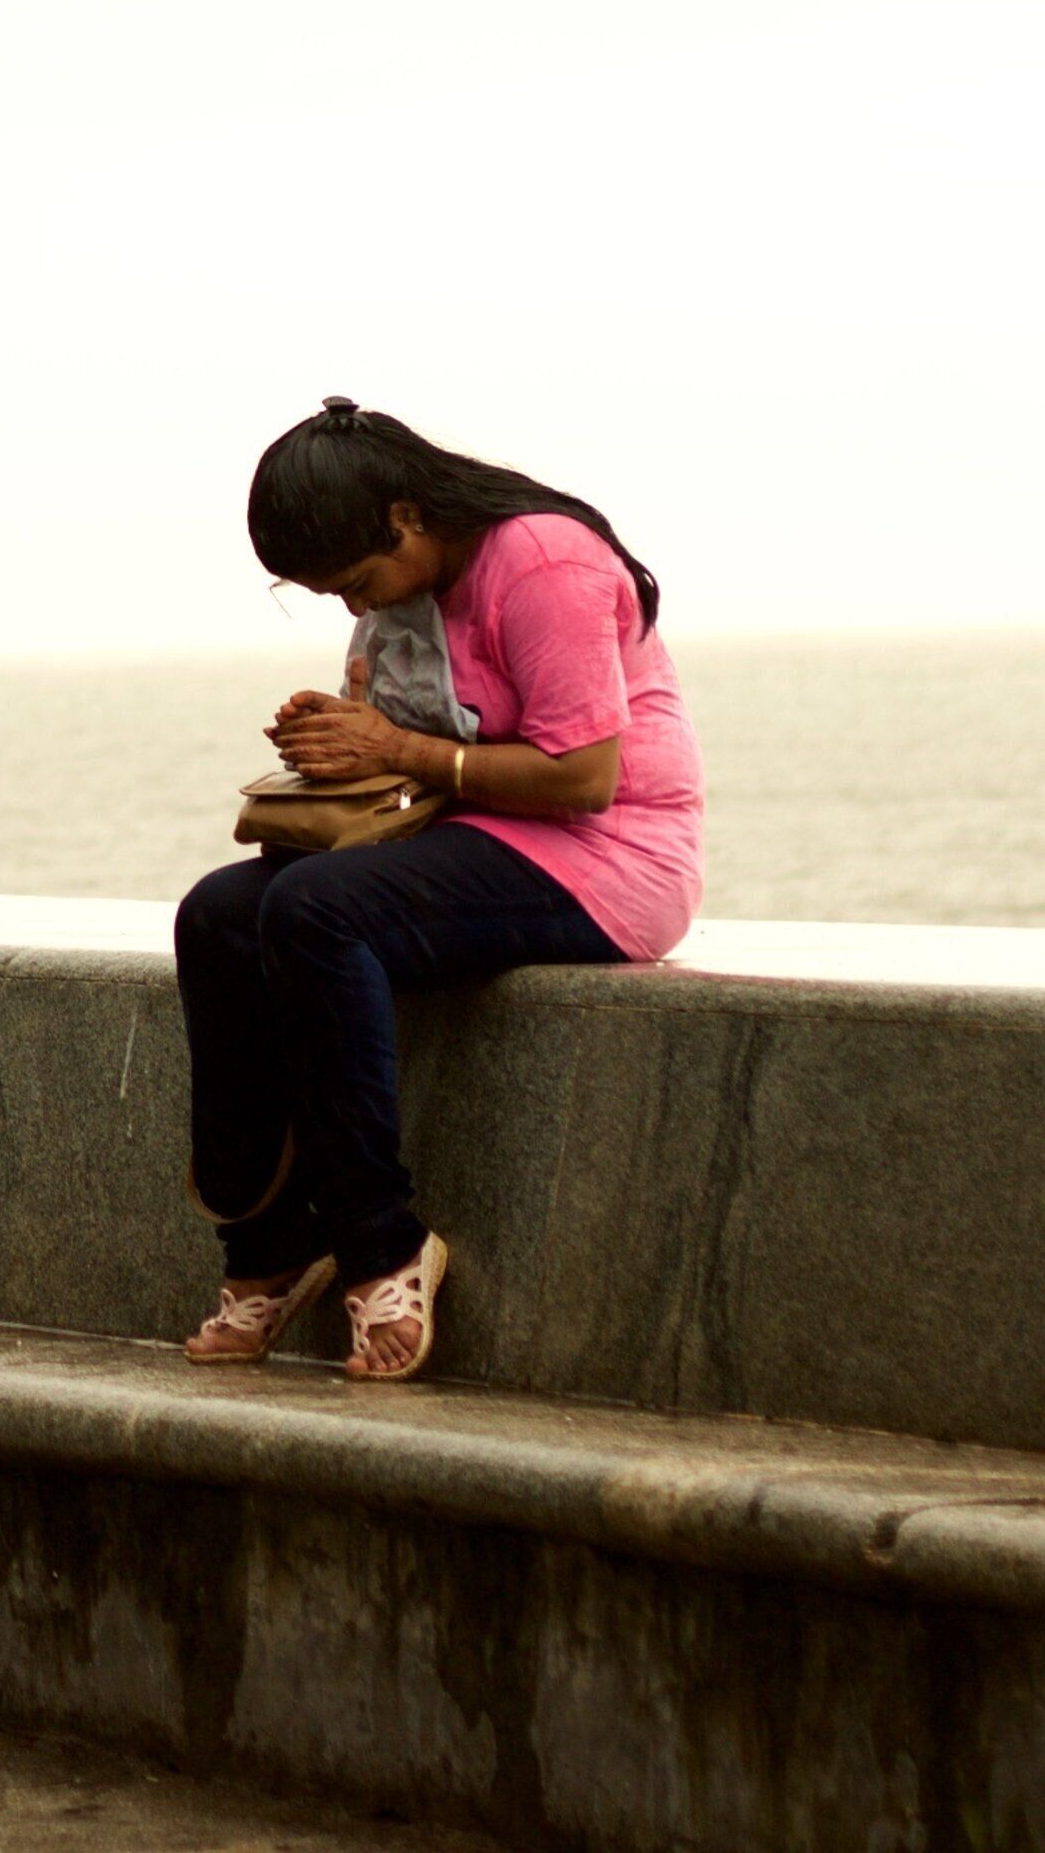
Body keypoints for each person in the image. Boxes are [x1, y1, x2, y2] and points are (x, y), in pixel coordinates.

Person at [174, 397, 703, 1381]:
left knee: (315, 910)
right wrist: (333, 740)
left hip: (607, 858)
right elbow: (405, 749)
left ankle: (382, 1249)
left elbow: (582, 774)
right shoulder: (402, 592)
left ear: (407, 518)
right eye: (331, 596)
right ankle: (268, 1249)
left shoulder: (546, 563)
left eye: (357, 581)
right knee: (218, 914)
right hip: (465, 834)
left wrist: (399, 746)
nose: (352, 608)